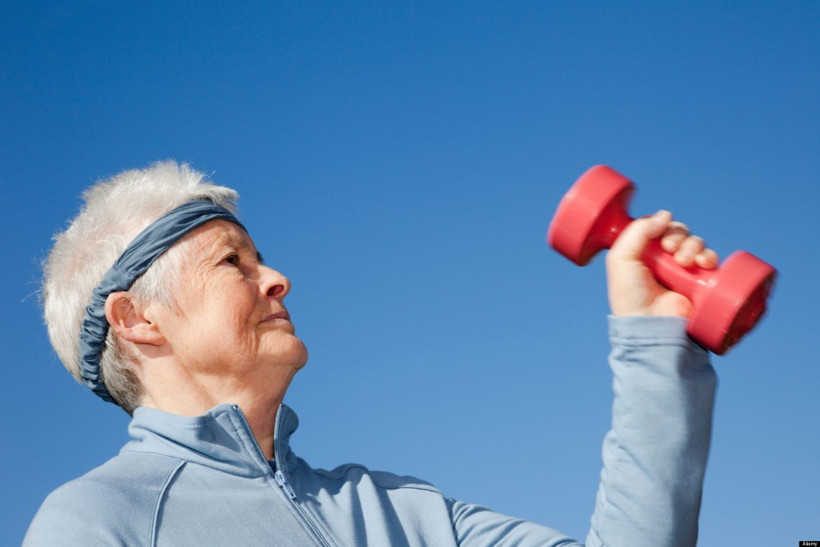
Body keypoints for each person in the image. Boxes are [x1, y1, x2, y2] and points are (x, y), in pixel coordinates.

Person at [25, 161, 719, 546]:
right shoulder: (95, 521)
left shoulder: (399, 512)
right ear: (137, 319)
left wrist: (655, 341)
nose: (276, 277)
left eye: (261, 256)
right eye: (232, 261)